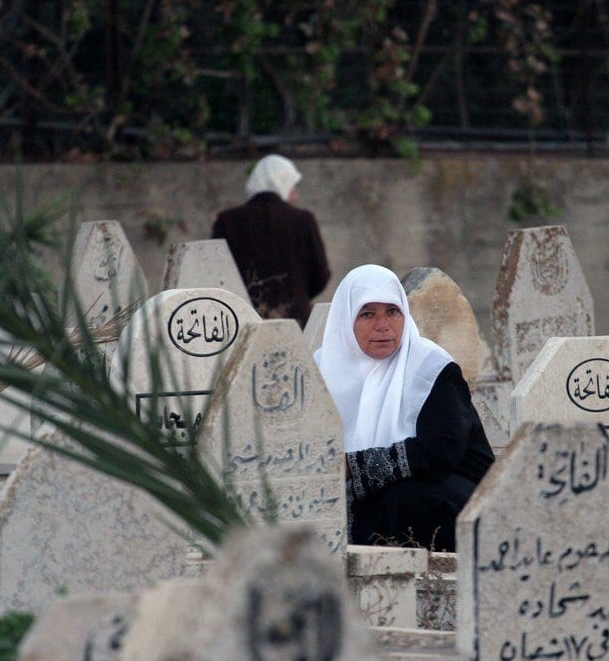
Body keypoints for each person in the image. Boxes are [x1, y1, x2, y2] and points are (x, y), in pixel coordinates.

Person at [314, 264, 494, 551]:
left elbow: (439, 452)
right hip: (365, 505)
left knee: (407, 497)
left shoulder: (431, 368)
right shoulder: (321, 370)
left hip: (455, 504)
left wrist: (354, 467)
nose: (383, 325)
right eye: (368, 313)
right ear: (346, 320)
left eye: (392, 311)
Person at [211, 154, 330, 327]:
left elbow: (216, 274)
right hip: (295, 323)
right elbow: (321, 274)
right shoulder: (302, 220)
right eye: (292, 187)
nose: (294, 196)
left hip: (242, 324)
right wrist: (296, 294)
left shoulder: (227, 221)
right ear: (282, 184)